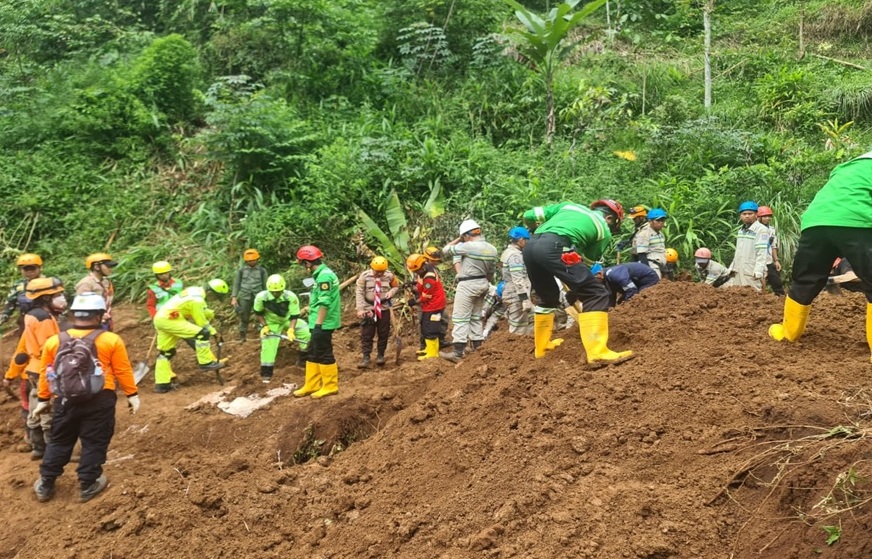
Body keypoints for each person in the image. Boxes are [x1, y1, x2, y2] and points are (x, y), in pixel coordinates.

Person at [31, 292, 140, 503]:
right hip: (101, 398)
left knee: (60, 441)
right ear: (100, 315)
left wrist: (44, 399)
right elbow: (123, 370)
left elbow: (47, 373)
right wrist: (132, 394)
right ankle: (88, 484)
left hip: (65, 399)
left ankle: (46, 483)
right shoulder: (110, 340)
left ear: (73, 314)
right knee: (94, 441)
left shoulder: (55, 341)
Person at [769, 152, 872, 362]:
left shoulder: (846, 168)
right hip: (857, 220)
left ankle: (788, 333)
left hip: (815, 221)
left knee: (805, 279)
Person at [522, 199, 633, 364]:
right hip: (556, 246)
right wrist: (577, 285)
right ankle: (597, 352)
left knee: (548, 298)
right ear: (610, 218)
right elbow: (587, 262)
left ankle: (542, 347)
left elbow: (529, 215)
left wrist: (534, 229)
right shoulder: (603, 230)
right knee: (595, 293)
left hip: (530, 248)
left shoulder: (568, 206)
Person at [13, 278, 67, 459]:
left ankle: (38, 448)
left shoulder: (31, 314)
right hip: (46, 367)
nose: (61, 298)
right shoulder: (44, 318)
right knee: (47, 409)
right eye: (56, 295)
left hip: (33, 368)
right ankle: (53, 451)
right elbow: (48, 347)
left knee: (35, 405)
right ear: (44, 298)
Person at [152, 279, 228, 393]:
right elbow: (201, 322)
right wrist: (215, 333)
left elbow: (199, 310)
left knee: (166, 352)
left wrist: (214, 314)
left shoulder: (194, 290)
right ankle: (205, 362)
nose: (214, 300)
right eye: (216, 297)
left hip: (162, 318)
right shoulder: (197, 300)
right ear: (211, 292)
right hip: (171, 319)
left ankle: (162, 384)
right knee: (203, 333)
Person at [440, 220, 499, 362]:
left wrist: (459, 239)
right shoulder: (492, 249)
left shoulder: (468, 246)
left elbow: (445, 250)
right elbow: (491, 272)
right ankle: (477, 348)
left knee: (460, 318)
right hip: (483, 283)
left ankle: (458, 353)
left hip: (468, 284)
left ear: (466, 235)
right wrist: (485, 283)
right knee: (476, 317)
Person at [293, 245, 341, 399]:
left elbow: (325, 302)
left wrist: (319, 324)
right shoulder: (319, 275)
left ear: (307, 263)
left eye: (303, 264)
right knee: (312, 351)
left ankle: (330, 386)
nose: (303, 267)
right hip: (316, 321)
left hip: (323, 323)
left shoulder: (324, 276)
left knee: (324, 352)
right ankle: (312, 384)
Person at [253, 274, 311, 383]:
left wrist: (291, 329)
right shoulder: (261, 297)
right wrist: (265, 326)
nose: (275, 294)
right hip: (271, 323)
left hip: (288, 320)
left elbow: (294, 315)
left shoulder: (290, 297)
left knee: (305, 332)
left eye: (278, 291)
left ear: (283, 289)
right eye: (273, 292)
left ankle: (304, 360)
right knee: (268, 346)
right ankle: (266, 373)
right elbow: (258, 313)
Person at [355, 256, 399, 368]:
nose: (379, 274)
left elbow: (396, 286)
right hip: (368, 308)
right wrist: (360, 309)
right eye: (377, 271)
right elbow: (359, 292)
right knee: (367, 333)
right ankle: (366, 357)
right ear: (372, 268)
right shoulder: (364, 276)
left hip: (384, 307)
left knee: (383, 332)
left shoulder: (390, 276)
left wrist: (392, 292)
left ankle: (380, 355)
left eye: (382, 272)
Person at [406, 253, 446, 360]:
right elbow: (421, 282)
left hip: (435, 305)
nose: (416, 273)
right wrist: (413, 283)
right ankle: (428, 348)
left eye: (417, 271)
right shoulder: (424, 269)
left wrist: (414, 301)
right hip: (429, 306)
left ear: (422, 266)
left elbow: (426, 296)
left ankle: (433, 353)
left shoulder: (429, 279)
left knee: (431, 328)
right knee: (425, 325)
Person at [727, 201, 769, 291]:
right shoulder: (741, 231)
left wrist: (758, 270)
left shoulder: (761, 230)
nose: (747, 216)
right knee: (737, 295)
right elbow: (738, 251)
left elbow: (761, 252)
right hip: (738, 268)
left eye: (750, 213)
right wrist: (732, 267)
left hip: (751, 270)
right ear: (740, 215)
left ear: (756, 214)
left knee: (752, 295)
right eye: (744, 214)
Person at [0, 253, 45, 337]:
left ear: (40, 268)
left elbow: (58, 302)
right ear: (21, 270)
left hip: (45, 320)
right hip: (25, 320)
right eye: (26, 269)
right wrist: (4, 316)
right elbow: (10, 303)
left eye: (32, 268)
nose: (29, 272)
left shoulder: (49, 283)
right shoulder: (19, 285)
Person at [500, 226, 534, 335]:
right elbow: (518, 279)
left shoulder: (508, 252)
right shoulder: (515, 256)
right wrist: (524, 299)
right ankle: (512, 349)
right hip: (516, 294)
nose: (527, 243)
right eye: (526, 240)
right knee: (518, 326)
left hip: (514, 292)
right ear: (520, 240)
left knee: (528, 322)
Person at [231, 248, 268, 342]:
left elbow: (266, 285)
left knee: (260, 314)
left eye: (254, 260)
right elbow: (236, 284)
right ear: (246, 261)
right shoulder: (241, 271)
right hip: (245, 296)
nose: (252, 262)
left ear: (257, 260)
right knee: (244, 316)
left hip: (258, 296)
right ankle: (242, 336)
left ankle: (263, 334)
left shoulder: (262, 271)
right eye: (250, 261)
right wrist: (234, 297)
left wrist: (267, 298)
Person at [76, 253, 117, 330]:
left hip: (106, 319)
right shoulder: (86, 284)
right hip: (93, 324)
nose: (110, 269)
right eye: (108, 266)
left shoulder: (106, 282)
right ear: (96, 267)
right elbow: (82, 306)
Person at [595, 262, 660, 306]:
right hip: (637, 281)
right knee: (620, 302)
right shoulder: (606, 278)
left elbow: (632, 290)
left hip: (649, 278)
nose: (594, 282)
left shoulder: (614, 275)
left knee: (639, 298)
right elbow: (611, 295)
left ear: (600, 273)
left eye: (595, 279)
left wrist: (625, 306)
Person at [757, 206, 785, 296]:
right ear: (759, 217)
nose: (768, 218)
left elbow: (773, 246)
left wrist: (776, 260)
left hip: (768, 260)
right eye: (765, 216)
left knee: (776, 280)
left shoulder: (771, 230)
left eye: (769, 216)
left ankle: (781, 296)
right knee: (760, 281)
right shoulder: (755, 229)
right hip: (757, 260)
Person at [635, 208, 668, 278]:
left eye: (662, 220)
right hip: (651, 264)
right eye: (658, 220)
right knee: (655, 283)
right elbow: (641, 254)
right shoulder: (644, 234)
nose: (661, 223)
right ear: (650, 221)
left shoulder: (661, 234)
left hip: (661, 264)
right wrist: (647, 270)